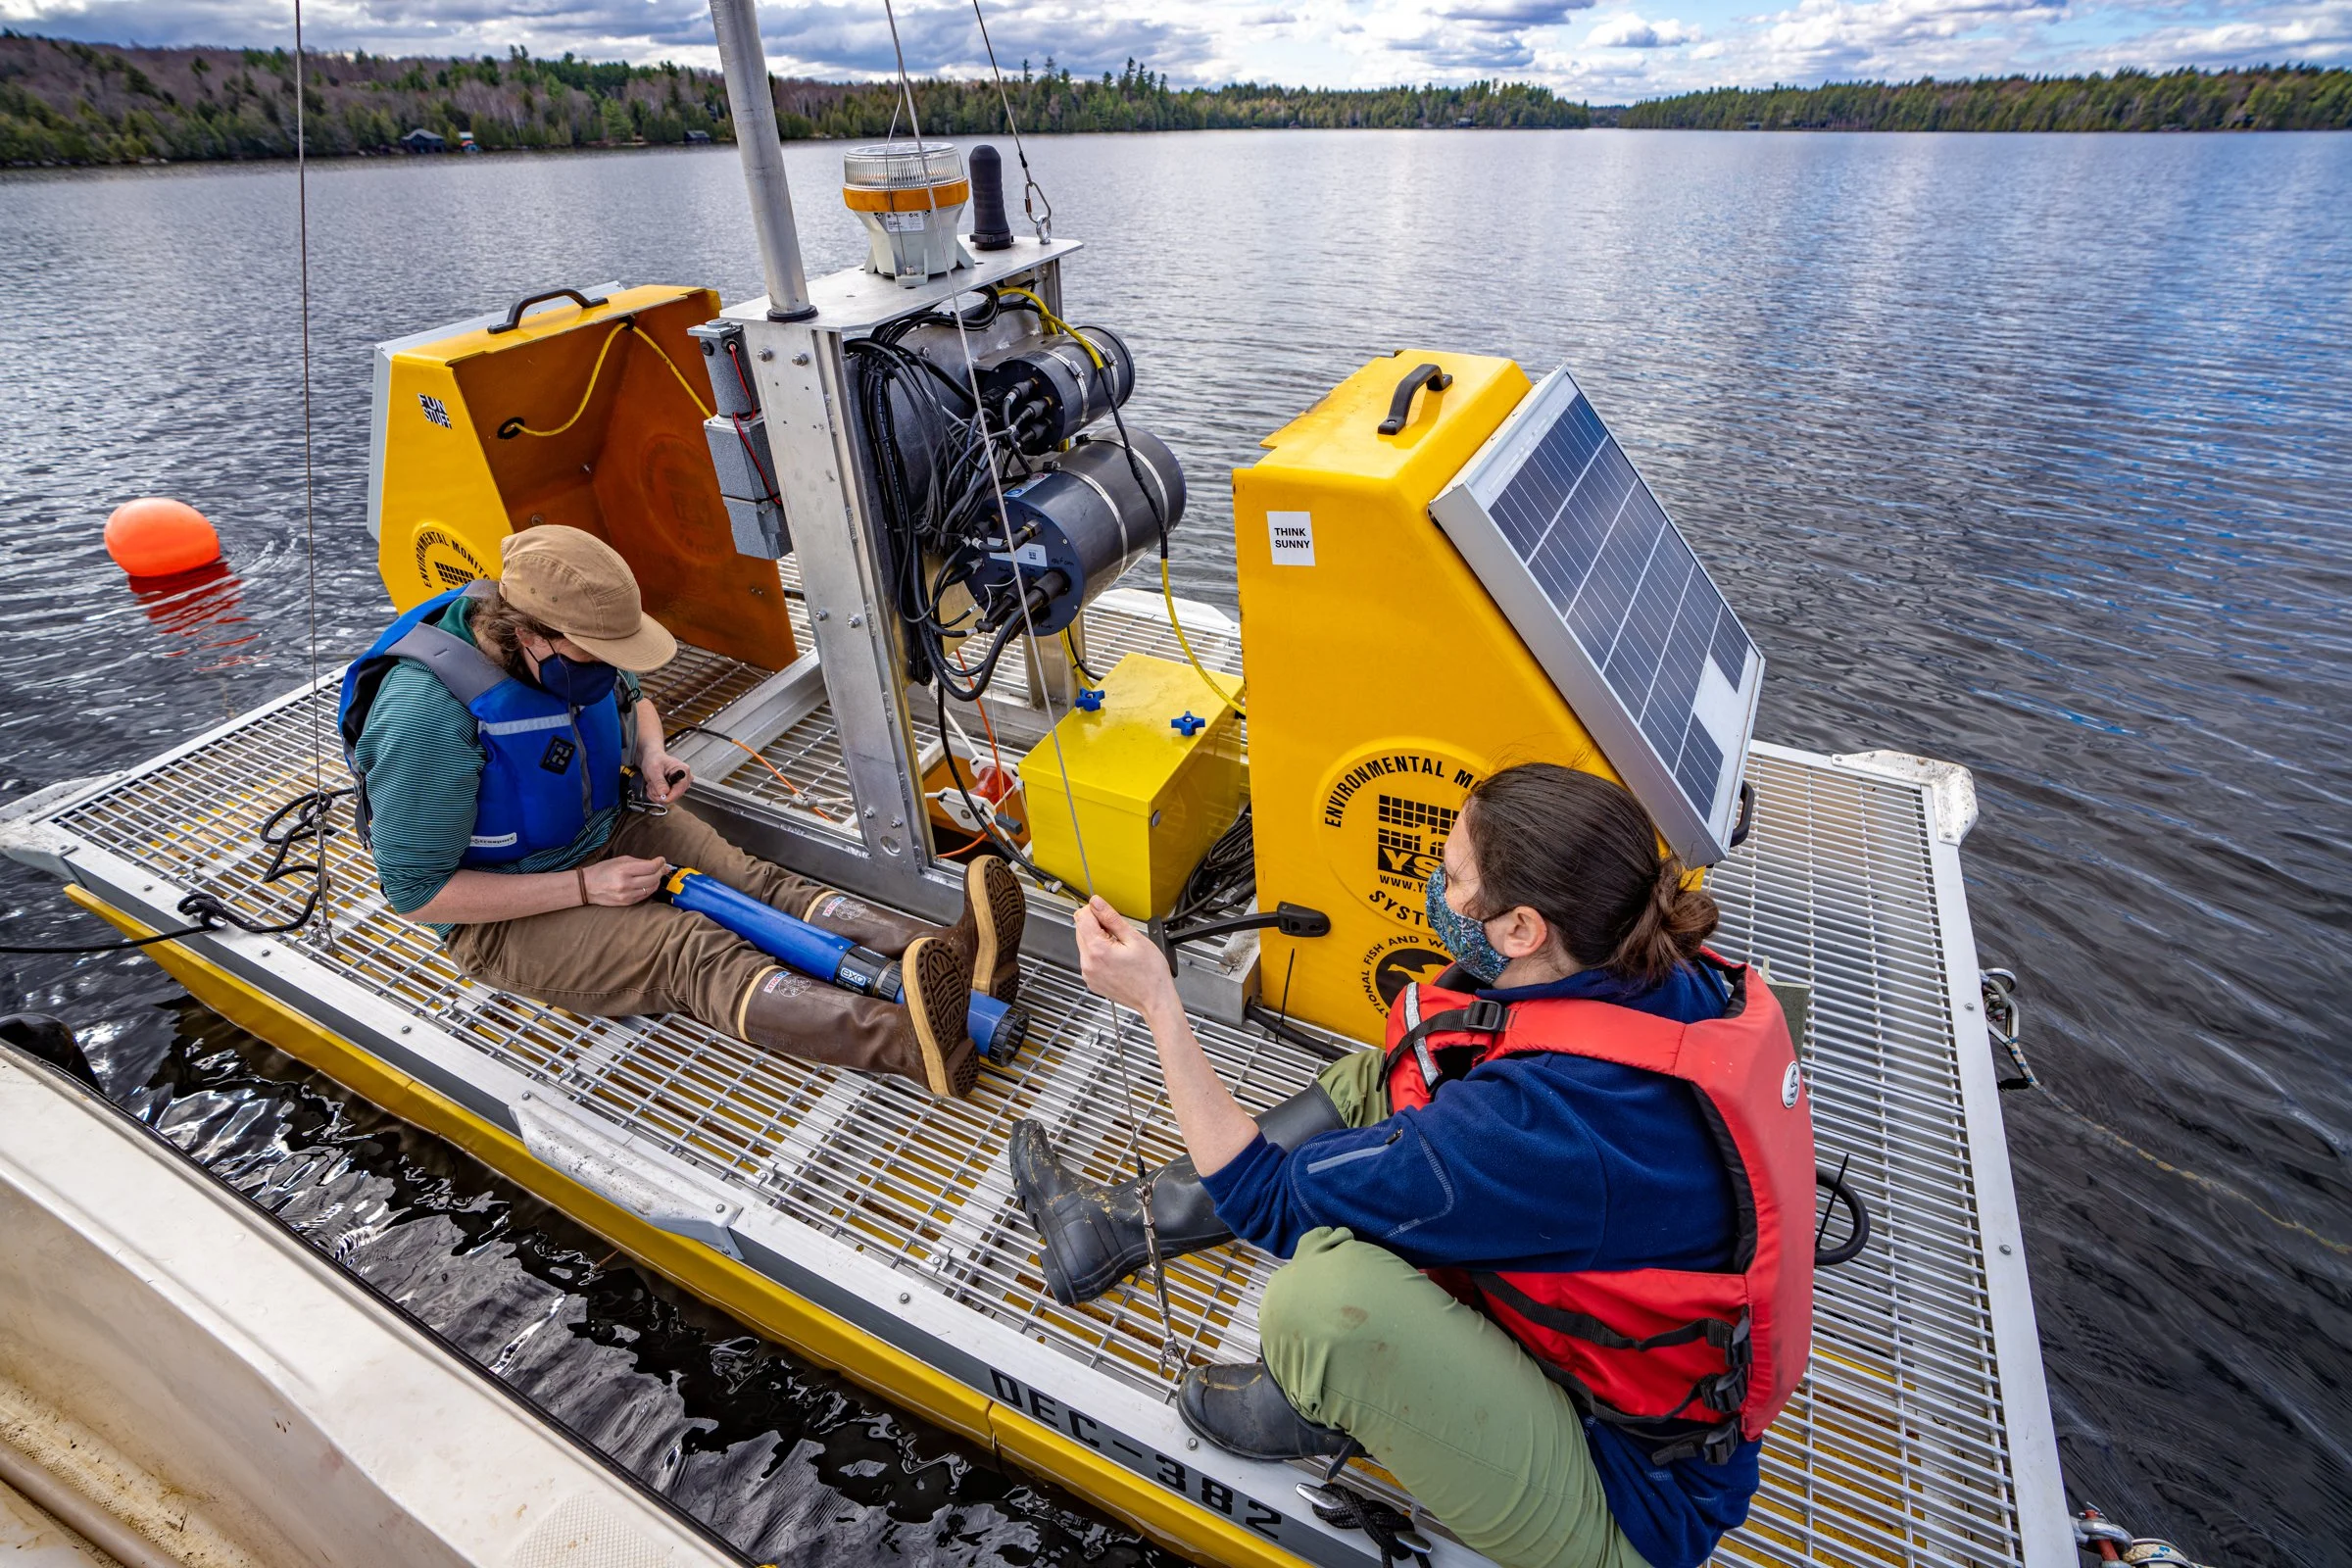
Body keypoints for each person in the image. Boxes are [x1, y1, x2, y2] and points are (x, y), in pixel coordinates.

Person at [1010, 764, 1813, 1568]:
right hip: (1617, 1354)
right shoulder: (1656, 968)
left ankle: (1334, 1396)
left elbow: (1266, 1200)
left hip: (1627, 1500)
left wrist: (1157, 1002)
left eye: (1454, 876)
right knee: (1401, 1069)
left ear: (1523, 930)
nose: (1436, 884)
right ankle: (1110, 1231)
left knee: (1324, 1300)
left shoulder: (1537, 1130)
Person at [338, 525, 1025, 1100]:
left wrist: (652, 750)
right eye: (598, 654)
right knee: (689, 949)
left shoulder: (571, 654)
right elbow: (418, 894)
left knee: (757, 883)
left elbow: (633, 698)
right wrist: (584, 888)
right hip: (506, 914)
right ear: (529, 634)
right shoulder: (424, 715)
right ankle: (914, 1044)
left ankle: (965, 960)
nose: (611, 665)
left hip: (608, 826)